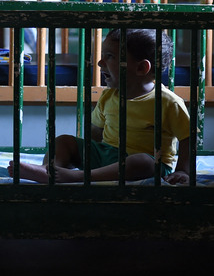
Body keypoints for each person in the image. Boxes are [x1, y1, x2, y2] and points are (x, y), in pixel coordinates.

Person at [10, 29, 191, 185]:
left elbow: (187, 138)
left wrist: (183, 170)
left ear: (141, 68)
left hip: (146, 164)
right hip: (107, 157)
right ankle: (50, 170)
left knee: (142, 161)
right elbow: (96, 131)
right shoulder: (109, 95)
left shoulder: (168, 102)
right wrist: (87, 153)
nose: (100, 63)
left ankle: (78, 177)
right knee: (64, 141)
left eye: (109, 57)